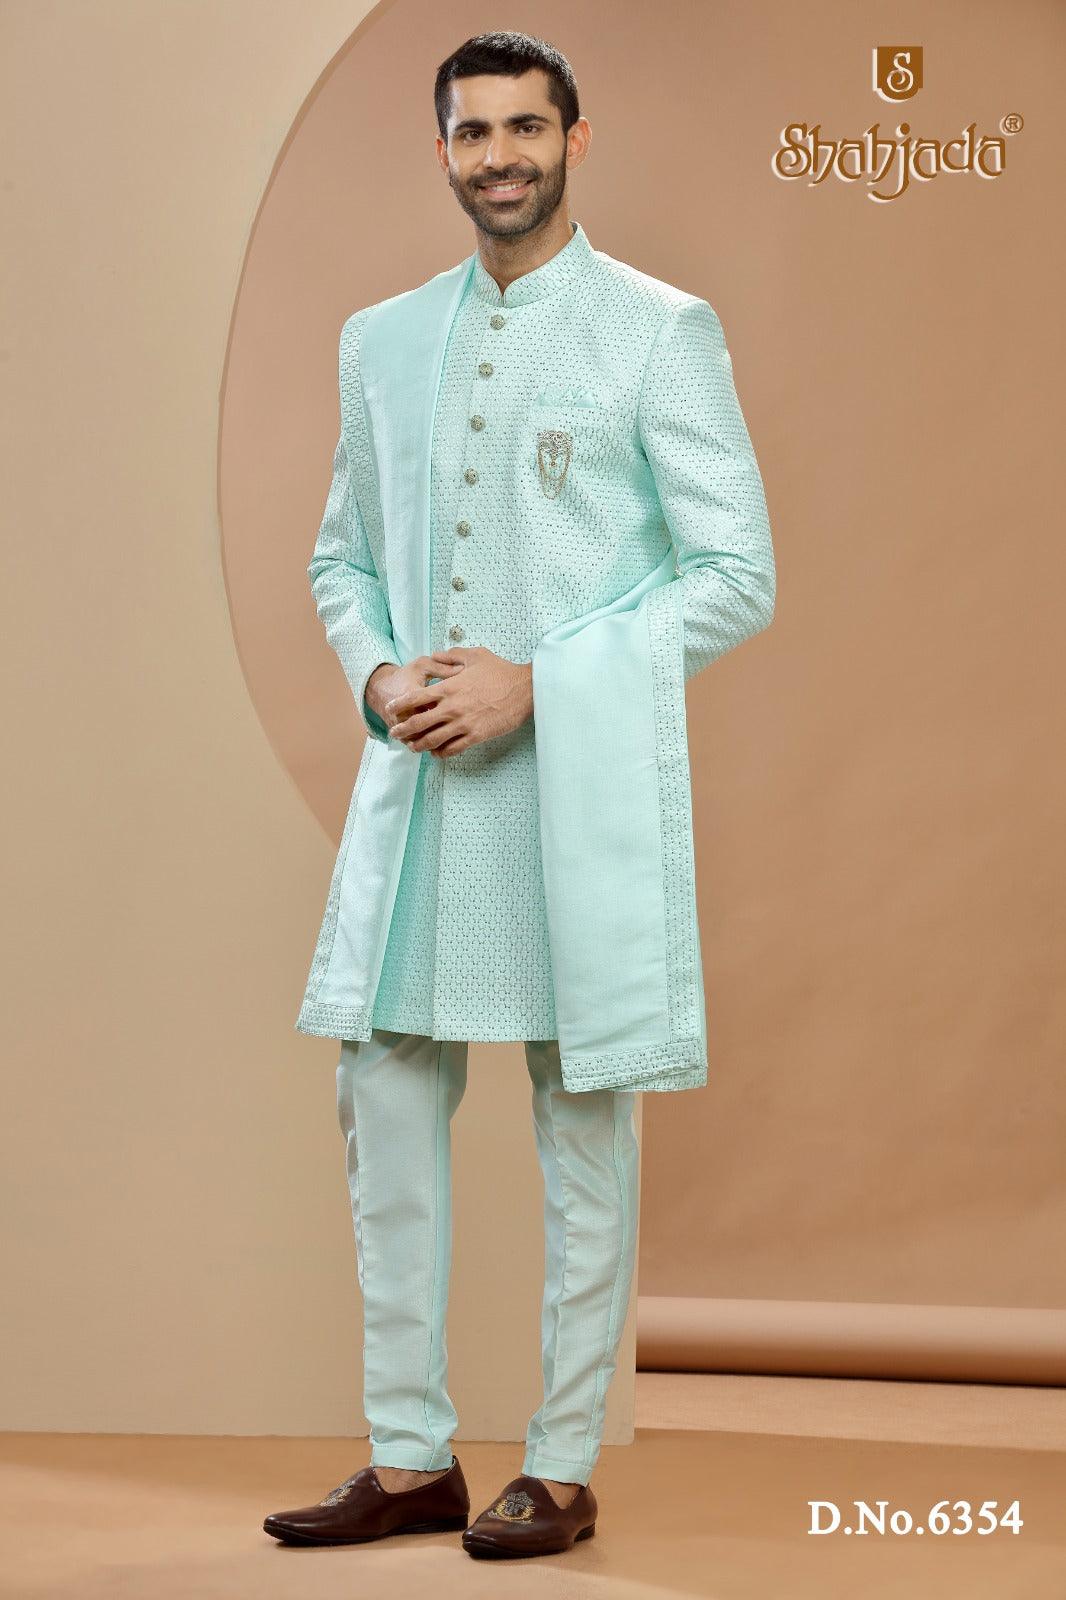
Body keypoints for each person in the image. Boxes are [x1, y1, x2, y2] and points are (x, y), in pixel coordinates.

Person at [265, 30, 775, 1560]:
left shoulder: (658, 332)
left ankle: (557, 1462)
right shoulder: (380, 340)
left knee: (582, 1121)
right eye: (472, 131)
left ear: (574, 139)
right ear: (441, 151)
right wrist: (375, 675)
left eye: (525, 127)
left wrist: (537, 681)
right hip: (420, 794)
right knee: (383, 1104)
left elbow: (734, 575)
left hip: (570, 795)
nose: (498, 155)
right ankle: (408, 1455)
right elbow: (339, 557)